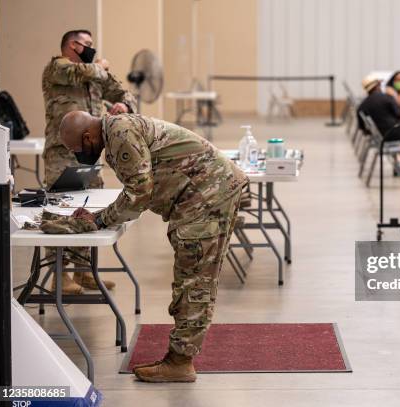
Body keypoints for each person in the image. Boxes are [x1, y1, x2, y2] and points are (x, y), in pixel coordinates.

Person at [59, 111, 248, 382]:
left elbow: (139, 193)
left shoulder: (120, 133)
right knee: (191, 279)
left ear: (88, 137)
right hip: (201, 194)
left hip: (207, 195)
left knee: (194, 282)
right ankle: (178, 358)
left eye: (77, 149)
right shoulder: (114, 131)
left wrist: (99, 219)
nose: (78, 155)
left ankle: (180, 363)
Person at [42, 29, 137, 294]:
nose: (92, 49)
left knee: (90, 210)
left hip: (90, 151)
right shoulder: (57, 68)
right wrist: (99, 66)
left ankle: (84, 272)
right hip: (61, 153)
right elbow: (89, 72)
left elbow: (123, 92)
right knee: (60, 210)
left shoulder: (93, 70)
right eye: (87, 45)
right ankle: (59, 276)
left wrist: (124, 107)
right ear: (72, 45)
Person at [357, 74, 400, 175]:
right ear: (376, 86)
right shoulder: (385, 98)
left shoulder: (362, 106)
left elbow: (363, 129)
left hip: (381, 137)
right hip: (393, 133)